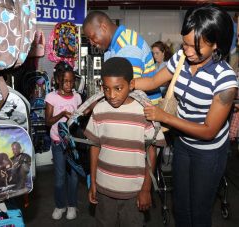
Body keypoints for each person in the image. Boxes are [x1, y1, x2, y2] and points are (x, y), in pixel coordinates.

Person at [133, 4, 237, 227]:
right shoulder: (181, 57)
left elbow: (209, 131)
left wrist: (165, 117)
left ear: (216, 43)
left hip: (208, 153)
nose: (187, 51)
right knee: (180, 207)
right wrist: (127, 83)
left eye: (195, 46)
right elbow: (152, 81)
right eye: (185, 43)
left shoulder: (225, 80)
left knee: (198, 212)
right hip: (183, 144)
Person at [84, 57, 165, 226]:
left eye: (118, 88)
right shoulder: (99, 110)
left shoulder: (145, 112)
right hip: (104, 189)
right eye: (106, 89)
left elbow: (152, 150)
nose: (111, 95)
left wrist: (145, 188)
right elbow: (94, 147)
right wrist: (93, 182)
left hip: (134, 191)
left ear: (132, 84)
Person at [83, 11, 162, 105]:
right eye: (89, 40)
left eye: (92, 37)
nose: (91, 43)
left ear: (103, 27)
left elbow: (126, 89)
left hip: (144, 109)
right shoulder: (111, 48)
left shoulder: (128, 45)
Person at [45, 61, 82, 220]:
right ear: (58, 80)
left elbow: (80, 119)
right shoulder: (51, 97)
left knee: (73, 177)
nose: (69, 84)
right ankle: (60, 205)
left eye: (71, 81)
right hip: (58, 143)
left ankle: (72, 205)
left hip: (72, 144)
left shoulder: (78, 97)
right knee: (60, 178)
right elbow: (48, 121)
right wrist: (62, 114)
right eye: (65, 81)